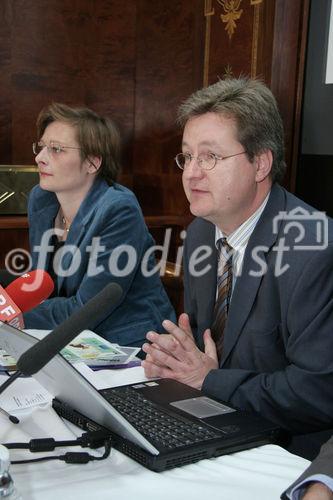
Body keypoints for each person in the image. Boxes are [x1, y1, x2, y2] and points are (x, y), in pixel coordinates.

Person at [141, 77, 333, 457]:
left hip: (287, 454)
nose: (191, 173)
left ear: (260, 163)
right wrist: (174, 359)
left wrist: (208, 380)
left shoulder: (314, 249)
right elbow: (203, 345)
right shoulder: (199, 234)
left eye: (209, 157)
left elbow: (318, 392)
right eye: (187, 156)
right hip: (212, 426)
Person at [23, 103, 175, 347]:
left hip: (130, 345)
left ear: (93, 163)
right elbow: (39, 282)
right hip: (67, 339)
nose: (39, 158)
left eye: (56, 149)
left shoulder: (118, 209)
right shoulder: (41, 199)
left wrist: (15, 317)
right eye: (41, 147)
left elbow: (88, 308)